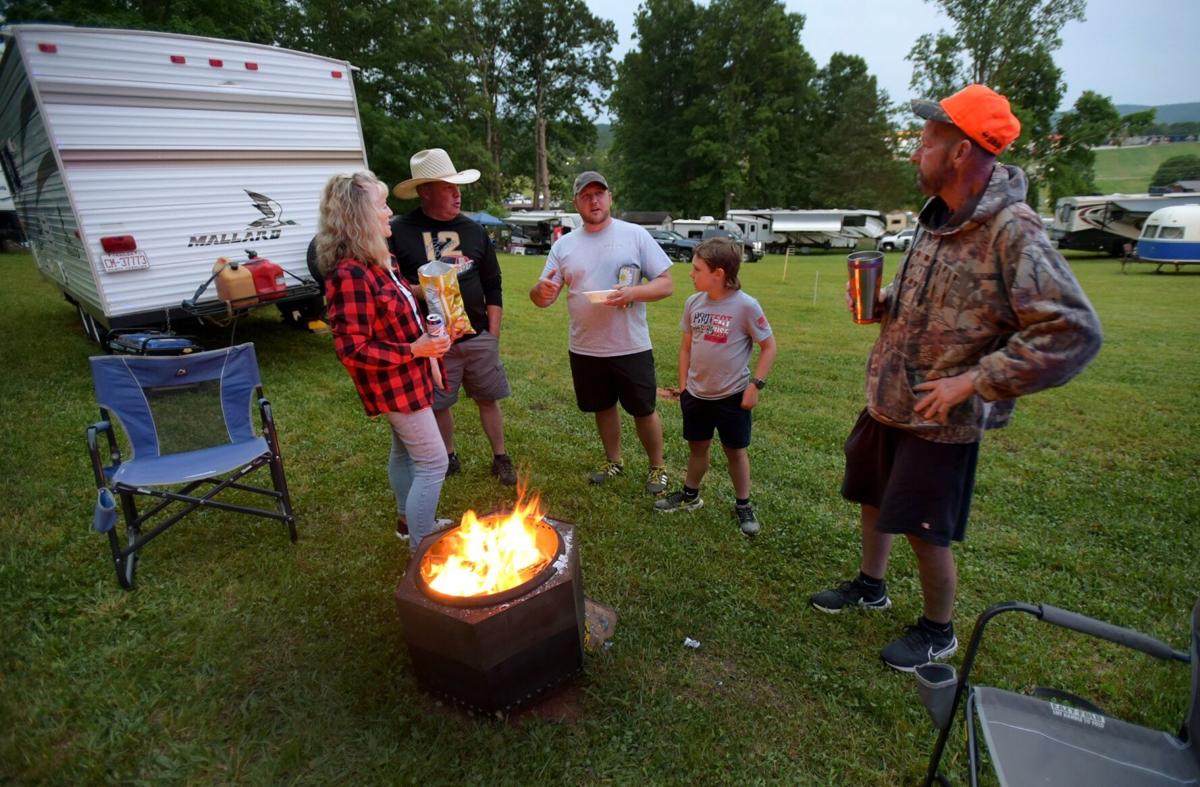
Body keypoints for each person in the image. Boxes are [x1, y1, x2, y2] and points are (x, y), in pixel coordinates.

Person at [809, 85, 1103, 671]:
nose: (917, 153)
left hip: (941, 418)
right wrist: (883, 299)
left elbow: (1073, 331)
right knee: (872, 499)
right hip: (889, 398)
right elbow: (933, 296)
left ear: (962, 151)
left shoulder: (1011, 230)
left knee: (925, 531)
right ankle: (872, 585)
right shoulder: (937, 215)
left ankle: (937, 630)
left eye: (926, 143)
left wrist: (972, 383)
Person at [316, 171, 452, 544]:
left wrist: (430, 341)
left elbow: (401, 317)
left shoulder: (380, 261)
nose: (389, 211)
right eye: (381, 205)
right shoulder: (349, 274)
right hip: (394, 386)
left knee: (406, 454)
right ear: (359, 216)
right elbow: (351, 348)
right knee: (433, 462)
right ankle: (422, 551)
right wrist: (414, 349)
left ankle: (409, 523)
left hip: (410, 376)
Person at [529, 171, 674, 493]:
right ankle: (614, 461)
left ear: (610, 197)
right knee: (602, 406)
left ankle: (657, 467)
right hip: (585, 346)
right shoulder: (564, 245)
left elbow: (666, 284)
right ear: (576, 203)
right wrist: (539, 293)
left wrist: (632, 294)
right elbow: (543, 295)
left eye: (599, 194)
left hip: (631, 344)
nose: (593, 201)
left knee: (643, 409)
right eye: (586, 195)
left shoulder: (635, 235)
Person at [389, 149, 517, 486]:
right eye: (447, 187)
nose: (457, 193)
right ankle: (448, 456)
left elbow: (493, 282)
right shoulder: (398, 231)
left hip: (477, 338)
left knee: (487, 398)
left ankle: (501, 456)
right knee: (439, 403)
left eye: (456, 186)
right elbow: (392, 286)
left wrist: (492, 332)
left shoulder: (474, 231)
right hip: (430, 343)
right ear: (425, 191)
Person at [653, 237, 777, 535]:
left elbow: (769, 346)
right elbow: (686, 348)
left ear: (718, 274)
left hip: (732, 397)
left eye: (697, 269)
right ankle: (690, 495)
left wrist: (755, 385)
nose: (690, 274)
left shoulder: (746, 306)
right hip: (696, 395)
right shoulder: (693, 303)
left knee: (735, 452)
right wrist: (684, 385)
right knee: (698, 448)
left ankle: (743, 504)